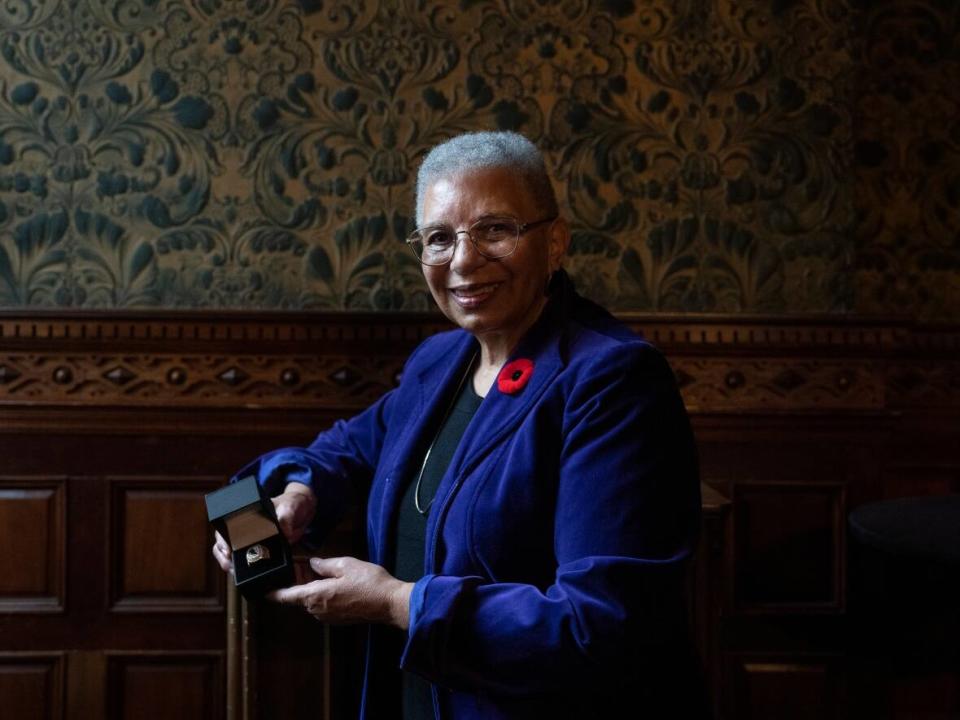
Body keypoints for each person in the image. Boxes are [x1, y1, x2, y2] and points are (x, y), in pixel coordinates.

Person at [213, 131, 704, 719]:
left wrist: (400, 603)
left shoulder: (611, 378)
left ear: (555, 242)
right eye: (439, 239)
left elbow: (599, 622)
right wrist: (297, 493)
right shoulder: (440, 361)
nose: (464, 262)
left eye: (496, 230)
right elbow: (343, 449)